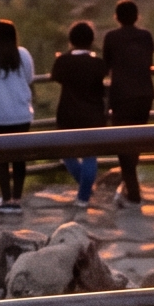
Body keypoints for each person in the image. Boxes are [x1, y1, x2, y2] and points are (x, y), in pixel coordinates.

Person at [0, 20, 38, 211]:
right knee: (19, 157)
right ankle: (17, 200)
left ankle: (5, 199)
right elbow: (30, 78)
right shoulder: (24, 54)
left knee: (1, 158)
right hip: (22, 114)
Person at [104, 1, 154, 203]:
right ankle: (130, 185)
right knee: (136, 141)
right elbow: (148, 62)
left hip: (122, 95)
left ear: (116, 17)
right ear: (137, 16)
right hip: (144, 94)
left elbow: (106, 66)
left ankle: (132, 191)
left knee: (122, 142)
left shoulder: (111, 37)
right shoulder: (146, 36)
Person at [52, 20, 108, 196]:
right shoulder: (98, 64)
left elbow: (56, 76)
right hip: (94, 114)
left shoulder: (63, 61)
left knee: (66, 152)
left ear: (71, 40)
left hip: (68, 113)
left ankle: (86, 189)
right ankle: (84, 196)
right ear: (91, 40)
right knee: (90, 155)